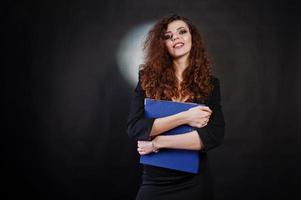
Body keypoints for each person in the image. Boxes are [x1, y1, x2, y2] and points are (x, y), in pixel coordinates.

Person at [126, 14, 225, 200]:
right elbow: (135, 128)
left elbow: (213, 135)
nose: (176, 38)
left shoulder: (211, 84)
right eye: (168, 36)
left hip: (195, 182)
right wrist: (186, 117)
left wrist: (157, 143)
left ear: (192, 38)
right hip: (155, 181)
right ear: (162, 45)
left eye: (182, 32)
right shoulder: (146, 79)